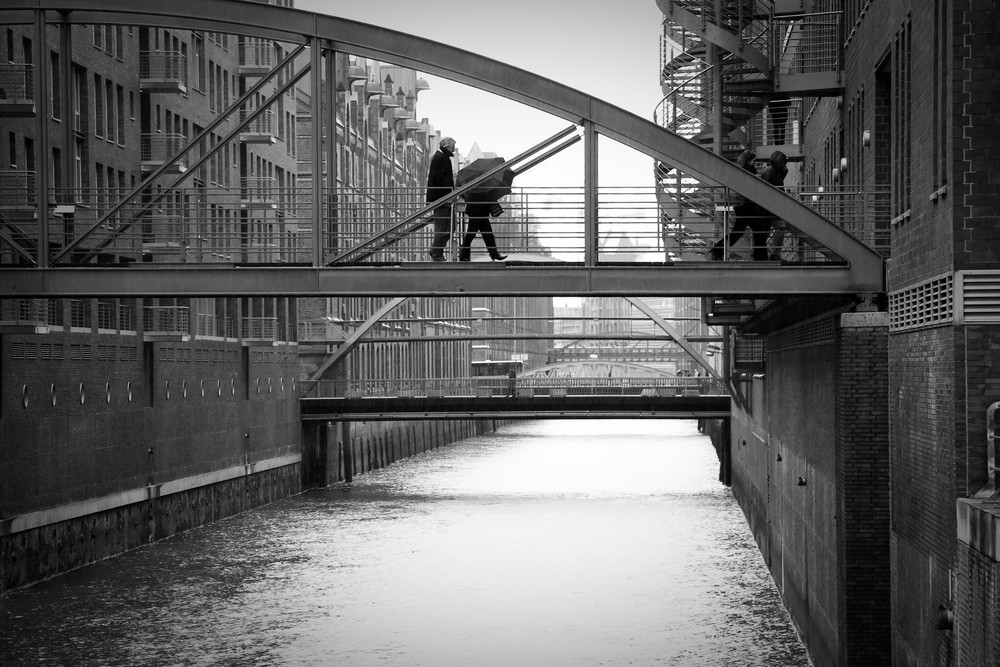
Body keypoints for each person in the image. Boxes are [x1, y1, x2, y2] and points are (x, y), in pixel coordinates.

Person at [710, 149, 768, 260]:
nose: (754, 163)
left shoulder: (741, 170)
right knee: (758, 230)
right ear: (749, 160)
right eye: (753, 160)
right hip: (748, 206)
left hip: (744, 206)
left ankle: (717, 250)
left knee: (740, 232)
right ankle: (760, 257)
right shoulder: (749, 170)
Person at [426, 136, 456, 262]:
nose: (453, 150)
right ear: (447, 146)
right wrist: (449, 191)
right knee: (444, 227)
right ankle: (436, 252)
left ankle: (436, 251)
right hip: (442, 199)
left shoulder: (441, 157)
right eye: (452, 147)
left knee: (449, 227)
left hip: (443, 198)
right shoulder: (440, 158)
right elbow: (439, 178)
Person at [458, 190, 507, 262]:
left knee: (485, 234)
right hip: (477, 209)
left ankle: (494, 254)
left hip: (480, 209)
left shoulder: (475, 186)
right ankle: (464, 256)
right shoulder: (479, 186)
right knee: (473, 234)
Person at [759, 150, 789, 260]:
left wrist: (785, 171)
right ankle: (773, 253)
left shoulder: (773, 172)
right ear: (779, 161)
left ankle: (762, 253)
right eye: (783, 162)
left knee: (766, 230)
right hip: (769, 207)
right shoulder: (770, 172)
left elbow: (778, 183)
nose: (784, 165)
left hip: (769, 207)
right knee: (780, 226)